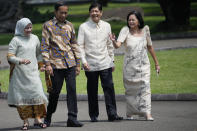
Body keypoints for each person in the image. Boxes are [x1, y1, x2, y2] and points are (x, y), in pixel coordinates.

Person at [110, 10, 160, 121]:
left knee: (145, 88)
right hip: (129, 67)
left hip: (144, 66)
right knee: (131, 90)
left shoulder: (145, 30)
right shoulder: (125, 31)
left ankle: (147, 113)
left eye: (133, 19)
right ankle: (130, 113)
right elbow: (118, 45)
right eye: (129, 20)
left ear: (138, 20)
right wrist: (113, 41)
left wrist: (156, 63)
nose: (131, 22)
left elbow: (150, 47)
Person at [77, 2, 123, 122]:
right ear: (89, 13)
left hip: (105, 63)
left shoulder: (107, 26)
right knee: (92, 90)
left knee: (109, 89)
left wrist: (112, 60)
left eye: (97, 11)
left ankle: (112, 114)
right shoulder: (83, 27)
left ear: (101, 13)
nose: (94, 13)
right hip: (90, 64)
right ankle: (93, 115)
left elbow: (109, 45)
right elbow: (80, 46)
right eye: (92, 11)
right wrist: (83, 61)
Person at [41, 1, 83, 127]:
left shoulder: (70, 25)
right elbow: (44, 46)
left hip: (70, 64)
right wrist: (47, 64)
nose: (64, 15)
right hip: (55, 65)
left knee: (72, 91)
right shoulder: (47, 25)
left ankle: (72, 118)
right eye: (61, 12)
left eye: (66, 12)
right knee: (54, 93)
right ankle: (48, 116)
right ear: (55, 12)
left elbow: (74, 44)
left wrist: (78, 63)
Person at [7, 18, 48, 130]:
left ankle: (38, 119)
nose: (29, 30)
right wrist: (20, 60)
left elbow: (38, 54)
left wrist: (41, 65)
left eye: (30, 27)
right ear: (21, 28)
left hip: (33, 73)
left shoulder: (35, 38)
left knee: (38, 94)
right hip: (20, 75)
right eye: (26, 28)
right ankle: (25, 122)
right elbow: (10, 56)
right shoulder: (15, 40)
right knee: (22, 98)